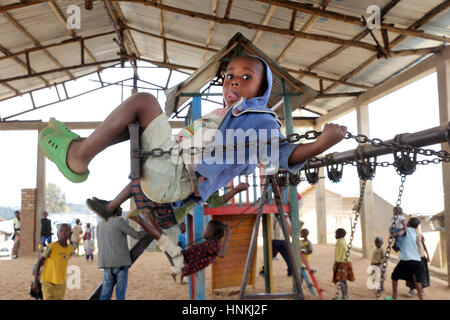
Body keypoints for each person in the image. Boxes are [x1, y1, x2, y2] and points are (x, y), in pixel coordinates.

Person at [39, 55, 347, 211]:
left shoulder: (260, 119)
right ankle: (83, 147)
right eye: (229, 77)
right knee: (138, 117)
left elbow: (280, 156)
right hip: (168, 171)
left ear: (261, 89)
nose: (234, 82)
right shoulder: (220, 115)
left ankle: (78, 156)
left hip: (176, 176)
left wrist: (321, 144)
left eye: (246, 77)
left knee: (145, 102)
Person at [128, 209, 231, 283]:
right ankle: (147, 218)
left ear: (213, 233)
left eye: (206, 229)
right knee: (163, 237)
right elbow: (217, 234)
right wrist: (224, 228)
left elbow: (221, 254)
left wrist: (227, 235)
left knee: (162, 238)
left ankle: (141, 220)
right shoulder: (212, 241)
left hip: (182, 263)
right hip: (181, 260)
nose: (204, 229)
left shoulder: (214, 244)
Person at [97, 208, 146, 300]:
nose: (121, 209)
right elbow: (137, 235)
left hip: (106, 264)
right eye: (120, 207)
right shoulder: (119, 221)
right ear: (115, 210)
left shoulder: (100, 224)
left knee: (105, 293)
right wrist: (149, 230)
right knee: (120, 293)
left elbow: (100, 244)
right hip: (121, 264)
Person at [31, 223, 73, 300]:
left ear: (70, 233)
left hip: (61, 284)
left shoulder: (70, 249)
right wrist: (36, 281)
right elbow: (39, 262)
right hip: (48, 282)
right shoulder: (51, 247)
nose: (63, 233)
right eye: (60, 231)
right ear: (57, 233)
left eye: (66, 231)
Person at [386, 217, 424, 300]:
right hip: (417, 260)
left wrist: (392, 235)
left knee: (394, 276)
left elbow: (399, 234)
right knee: (417, 280)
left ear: (409, 223)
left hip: (407, 259)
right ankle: (421, 298)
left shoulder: (407, 230)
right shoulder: (415, 232)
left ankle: (394, 296)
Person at [406, 223, 430, 297]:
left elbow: (423, 245)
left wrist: (428, 255)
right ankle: (411, 290)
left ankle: (421, 289)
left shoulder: (420, 235)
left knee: (421, 274)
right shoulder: (408, 236)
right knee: (411, 274)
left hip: (421, 257)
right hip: (412, 257)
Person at [332, 228, 355, 300]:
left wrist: (335, 264)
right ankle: (345, 295)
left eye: (336, 234)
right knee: (343, 280)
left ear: (340, 235)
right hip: (346, 262)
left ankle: (344, 296)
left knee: (341, 280)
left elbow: (338, 255)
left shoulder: (339, 243)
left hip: (341, 263)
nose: (335, 235)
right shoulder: (344, 241)